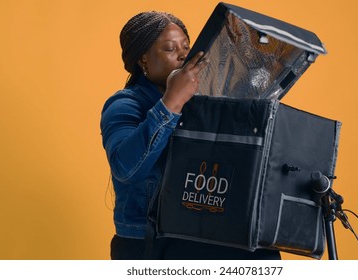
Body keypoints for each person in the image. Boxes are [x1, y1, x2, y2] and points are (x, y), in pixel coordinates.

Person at [100, 11, 280, 260]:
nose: (184, 55)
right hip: (148, 243)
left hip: (199, 231)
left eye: (186, 46)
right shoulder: (124, 104)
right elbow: (127, 168)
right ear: (143, 60)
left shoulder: (202, 102)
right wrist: (171, 101)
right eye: (170, 49)